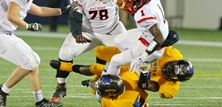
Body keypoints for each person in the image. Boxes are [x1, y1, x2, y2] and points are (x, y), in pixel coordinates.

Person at [0, 0, 76, 107]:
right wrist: (29, 26)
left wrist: (63, 11)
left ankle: (40, 102)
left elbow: (38, 10)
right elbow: (11, 16)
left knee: (34, 61)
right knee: (28, 63)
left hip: (4, 34)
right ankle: (2, 91)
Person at [49, 0, 127, 102]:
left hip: (112, 30)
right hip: (87, 31)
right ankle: (61, 87)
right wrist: (77, 33)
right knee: (65, 53)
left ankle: (131, 90)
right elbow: (74, 17)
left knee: (130, 58)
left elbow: (126, 3)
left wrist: (123, 3)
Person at [50, 45, 194, 107]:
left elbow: (145, 86)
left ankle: (95, 81)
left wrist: (144, 72)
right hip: (134, 66)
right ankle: (94, 78)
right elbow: (160, 42)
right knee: (100, 52)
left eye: (173, 73)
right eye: (172, 67)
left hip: (135, 83)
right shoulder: (172, 54)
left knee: (100, 72)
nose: (169, 70)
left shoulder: (169, 89)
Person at [105, 0, 169, 77]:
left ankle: (108, 86)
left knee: (114, 60)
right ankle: (137, 64)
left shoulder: (144, 14)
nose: (128, 4)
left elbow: (159, 38)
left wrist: (143, 56)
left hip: (151, 47)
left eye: (130, 1)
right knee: (118, 40)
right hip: (147, 35)